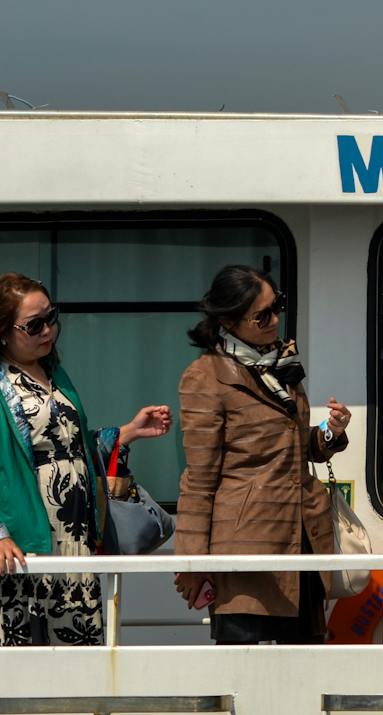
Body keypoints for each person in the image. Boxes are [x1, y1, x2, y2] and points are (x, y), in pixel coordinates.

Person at [173, 265, 351, 644]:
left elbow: (296, 445)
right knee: (245, 672)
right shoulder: (205, 376)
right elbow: (199, 480)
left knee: (306, 667)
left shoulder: (281, 365)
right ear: (230, 320)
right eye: (263, 315)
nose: (275, 320)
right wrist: (191, 563)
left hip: (303, 538)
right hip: (245, 547)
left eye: (277, 306)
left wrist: (331, 433)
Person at [0, 272, 171, 646]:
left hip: (76, 533)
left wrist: (127, 432)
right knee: (21, 655)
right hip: (26, 539)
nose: (49, 330)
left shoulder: (55, 373)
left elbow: (71, 446)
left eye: (51, 317)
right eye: (34, 325)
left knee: (79, 645)